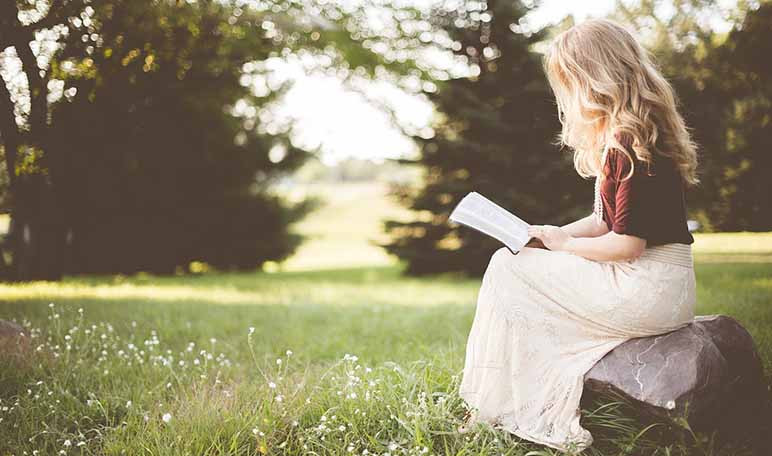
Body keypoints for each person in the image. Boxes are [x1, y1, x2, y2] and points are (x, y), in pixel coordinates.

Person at [457, 18, 699, 453]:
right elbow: (603, 221)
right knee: (514, 261)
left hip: (648, 286)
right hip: (656, 283)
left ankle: (496, 406)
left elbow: (627, 244)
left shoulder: (629, 140)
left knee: (506, 269)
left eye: (569, 82)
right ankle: (498, 402)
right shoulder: (628, 133)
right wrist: (546, 235)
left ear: (595, 78)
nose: (566, 96)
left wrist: (565, 247)